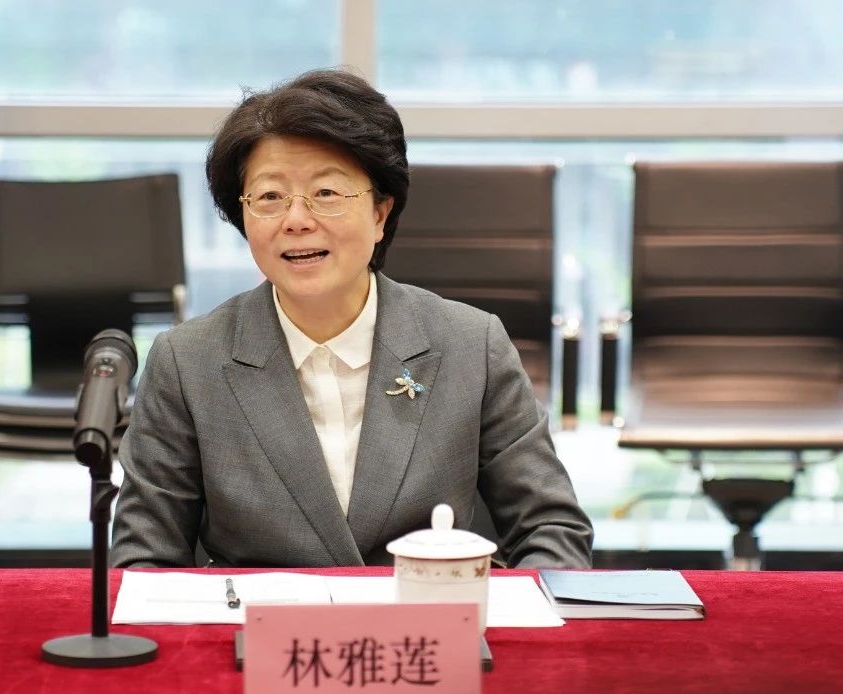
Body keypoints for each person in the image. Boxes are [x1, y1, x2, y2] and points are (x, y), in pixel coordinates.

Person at [110, 69, 593, 569]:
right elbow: (145, 557)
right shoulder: (188, 362)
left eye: (327, 193)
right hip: (257, 620)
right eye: (270, 197)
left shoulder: (472, 346)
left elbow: (551, 530)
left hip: (428, 616)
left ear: (380, 214)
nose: (297, 220)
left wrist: (500, 611)